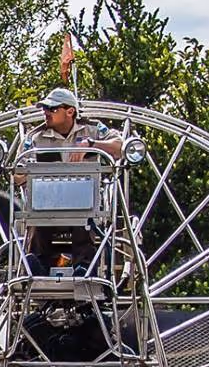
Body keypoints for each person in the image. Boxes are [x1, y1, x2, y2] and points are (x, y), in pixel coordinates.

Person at [13, 87, 126, 275]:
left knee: (84, 216)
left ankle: (84, 269)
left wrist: (91, 145)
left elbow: (120, 147)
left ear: (70, 111)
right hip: (47, 205)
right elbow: (17, 173)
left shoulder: (92, 129)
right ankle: (36, 268)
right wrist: (31, 172)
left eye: (52, 109)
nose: (46, 113)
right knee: (36, 216)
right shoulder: (35, 137)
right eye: (45, 109)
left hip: (84, 205)